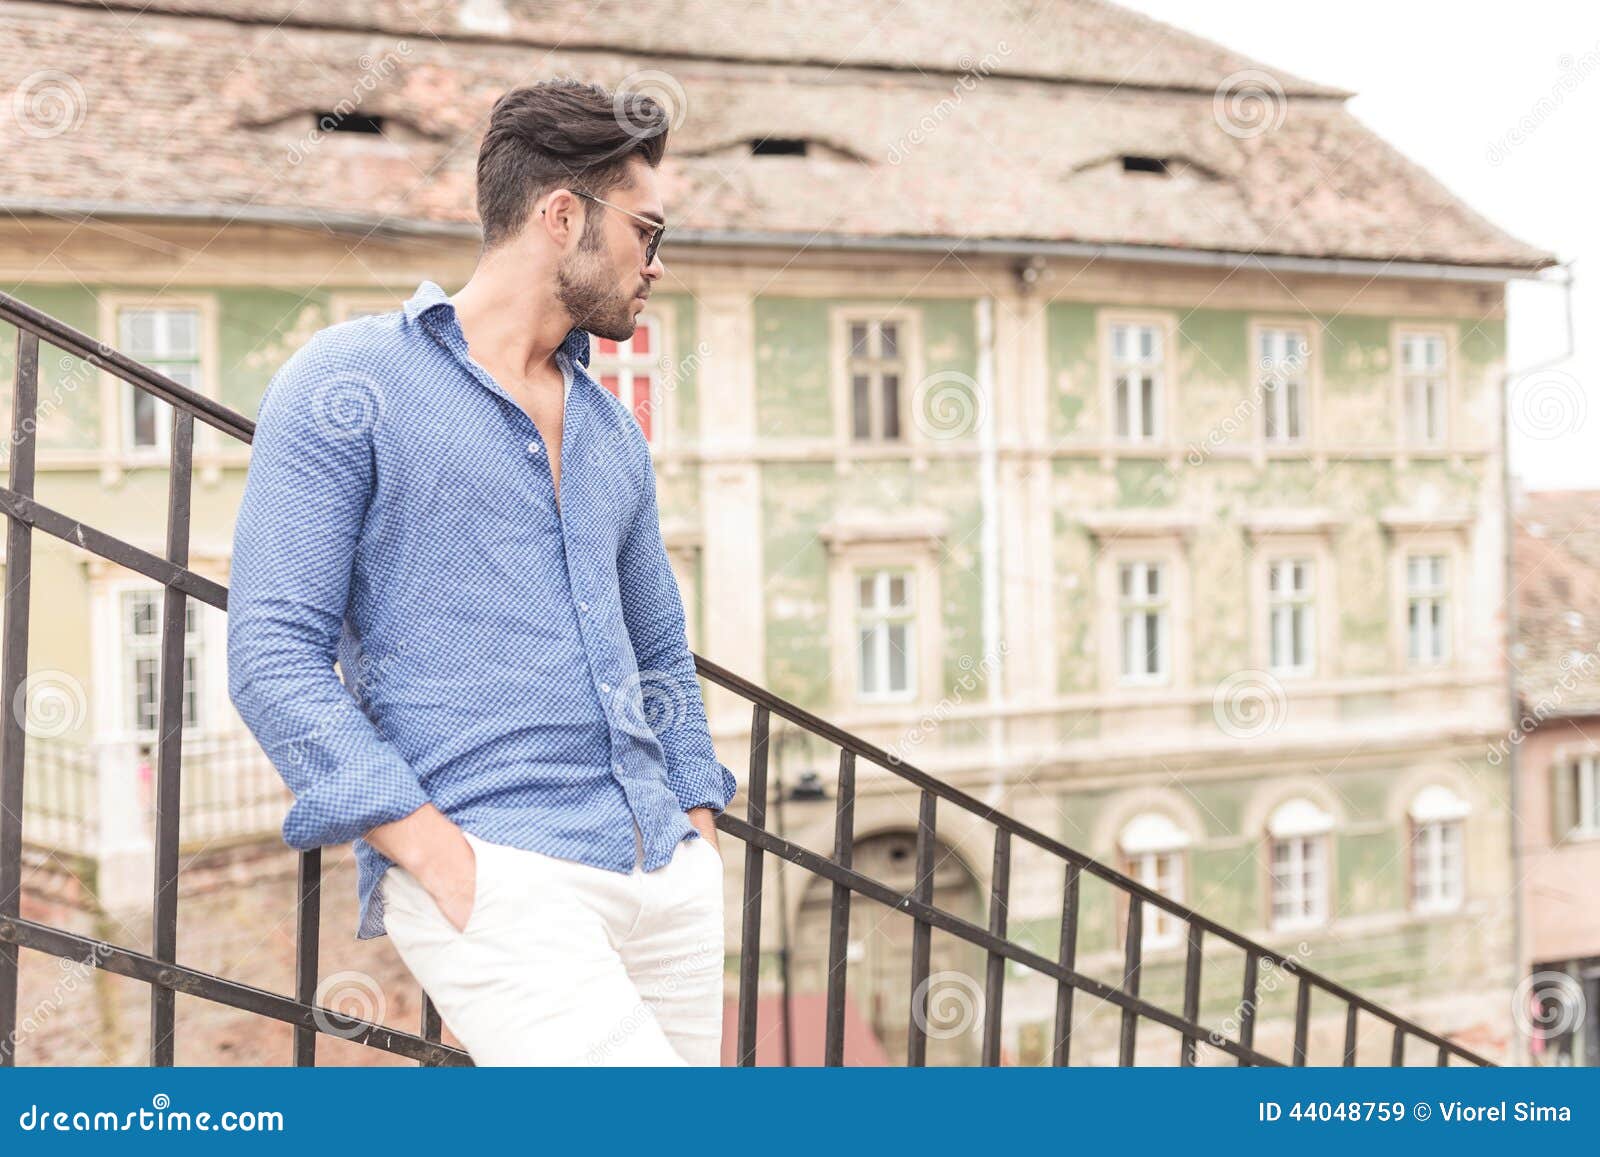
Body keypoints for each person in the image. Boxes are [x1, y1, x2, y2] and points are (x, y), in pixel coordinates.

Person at [226, 79, 735, 1066]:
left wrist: (696, 829)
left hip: (661, 872)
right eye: (646, 231)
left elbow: (660, 647)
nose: (657, 265)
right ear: (561, 217)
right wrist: (427, 851)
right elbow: (270, 652)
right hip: (498, 866)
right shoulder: (350, 380)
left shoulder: (610, 431)